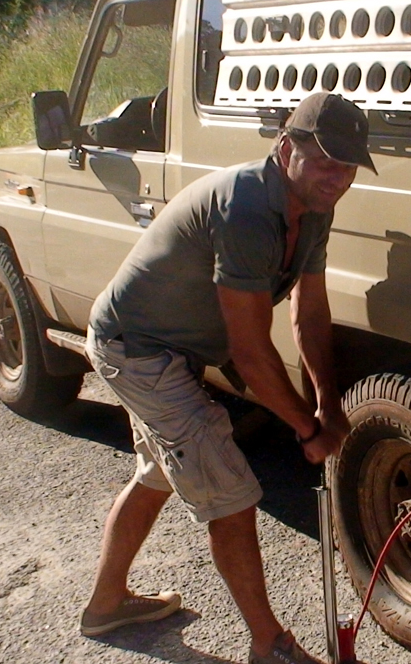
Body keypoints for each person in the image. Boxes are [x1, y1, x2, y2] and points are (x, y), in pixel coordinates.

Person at [79, 92, 377, 664]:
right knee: (231, 493)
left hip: (171, 351)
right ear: (286, 146)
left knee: (159, 473)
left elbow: (308, 312)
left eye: (348, 166)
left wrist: (327, 402)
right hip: (137, 349)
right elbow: (250, 349)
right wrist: (305, 429)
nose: (337, 177)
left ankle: (106, 605)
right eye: (325, 161)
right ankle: (269, 646)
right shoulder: (245, 208)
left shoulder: (314, 206)